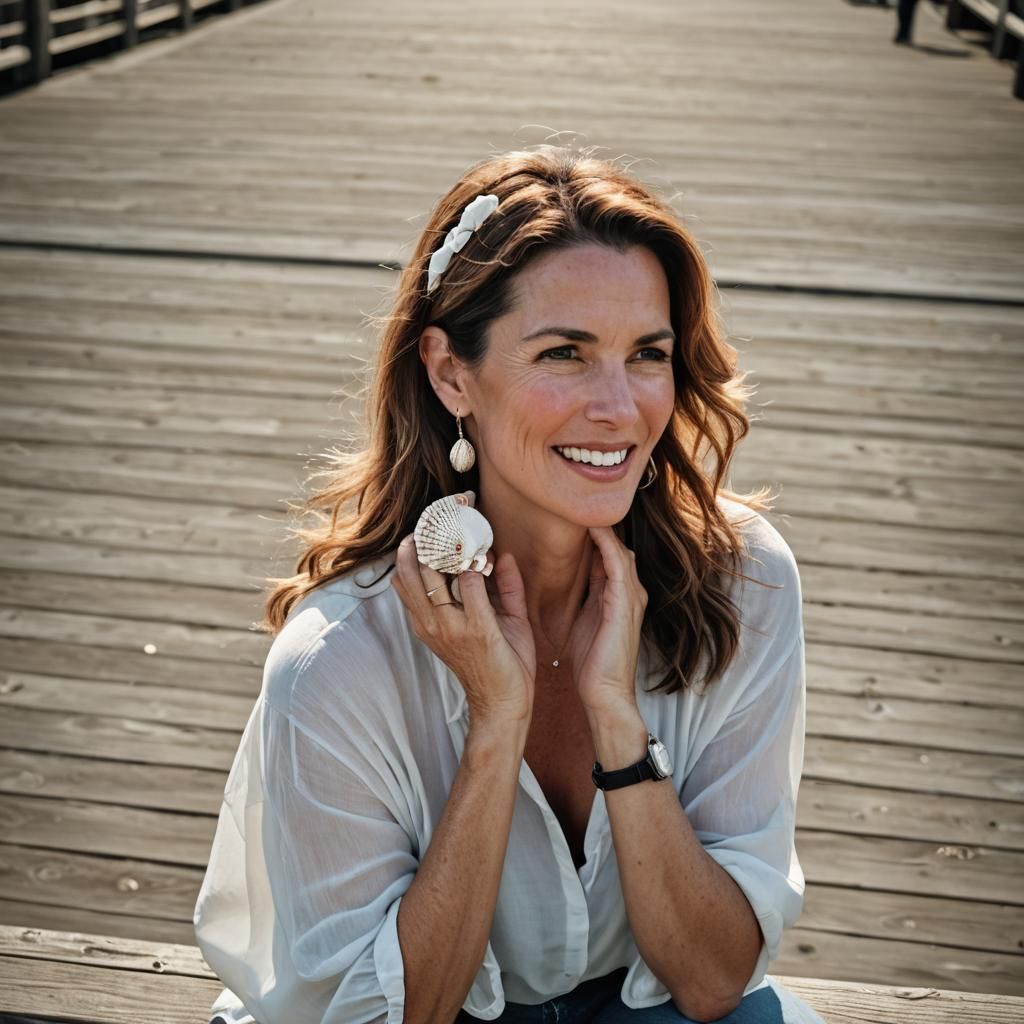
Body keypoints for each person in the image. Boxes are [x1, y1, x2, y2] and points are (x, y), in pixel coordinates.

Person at [193, 145, 826, 1024]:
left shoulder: (745, 580)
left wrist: (616, 719)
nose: (619, 407)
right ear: (452, 372)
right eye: (565, 353)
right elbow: (394, 1018)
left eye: (647, 353)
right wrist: (496, 721)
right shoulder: (337, 660)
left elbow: (715, 981)